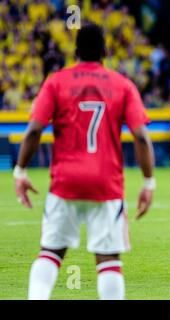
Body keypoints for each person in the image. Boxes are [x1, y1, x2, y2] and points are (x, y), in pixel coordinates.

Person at [13, 24, 156, 300]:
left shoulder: (56, 81)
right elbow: (140, 136)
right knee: (109, 261)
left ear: (75, 52)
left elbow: (33, 130)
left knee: (51, 252)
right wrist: (148, 182)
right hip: (106, 184)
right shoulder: (122, 84)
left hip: (65, 182)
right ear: (104, 52)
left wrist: (20, 172)